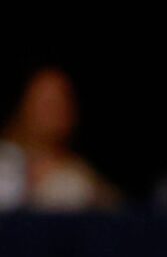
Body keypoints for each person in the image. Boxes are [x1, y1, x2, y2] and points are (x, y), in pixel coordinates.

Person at [0, 66, 118, 209]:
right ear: (24, 105)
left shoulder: (81, 178)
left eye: (59, 103)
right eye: (45, 103)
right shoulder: (5, 160)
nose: (52, 112)